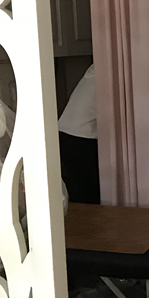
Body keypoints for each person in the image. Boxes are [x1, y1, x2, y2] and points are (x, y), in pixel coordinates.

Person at [58, 65, 100, 204]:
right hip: (81, 138)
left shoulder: (95, 71)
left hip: (66, 133)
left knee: (80, 187)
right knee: (89, 192)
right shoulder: (106, 74)